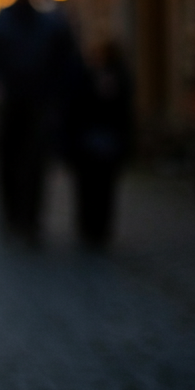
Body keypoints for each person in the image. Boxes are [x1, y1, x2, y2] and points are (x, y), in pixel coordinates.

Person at [0, 0, 82, 243]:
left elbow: (66, 61)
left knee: (35, 164)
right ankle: (12, 215)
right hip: (11, 102)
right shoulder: (4, 22)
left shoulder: (49, 24)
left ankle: (30, 219)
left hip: (39, 103)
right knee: (9, 162)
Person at [66, 41, 132, 247]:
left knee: (99, 187)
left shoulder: (116, 76)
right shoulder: (86, 75)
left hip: (100, 140)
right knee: (94, 187)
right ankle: (92, 228)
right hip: (92, 140)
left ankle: (95, 228)